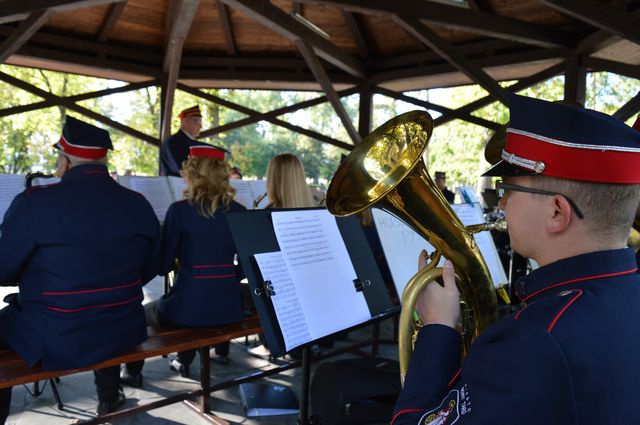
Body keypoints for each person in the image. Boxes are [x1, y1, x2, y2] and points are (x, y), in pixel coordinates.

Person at [392, 94, 640, 424]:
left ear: (556, 212)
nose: (503, 204)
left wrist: (438, 328)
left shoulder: (532, 343)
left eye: (509, 189)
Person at [0, 116, 160, 421]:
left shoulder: (34, 203)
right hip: (124, 327)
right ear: (103, 158)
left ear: (65, 160)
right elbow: (153, 264)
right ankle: (109, 398)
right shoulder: (137, 203)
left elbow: (4, 272)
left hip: (61, 333)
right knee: (102, 311)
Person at [122, 142, 246, 384]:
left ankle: (131, 373)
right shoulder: (239, 211)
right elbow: (245, 264)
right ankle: (184, 359)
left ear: (194, 173)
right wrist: (226, 277)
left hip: (188, 310)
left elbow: (163, 265)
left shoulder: (179, 211)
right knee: (188, 304)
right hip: (228, 308)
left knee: (139, 313)